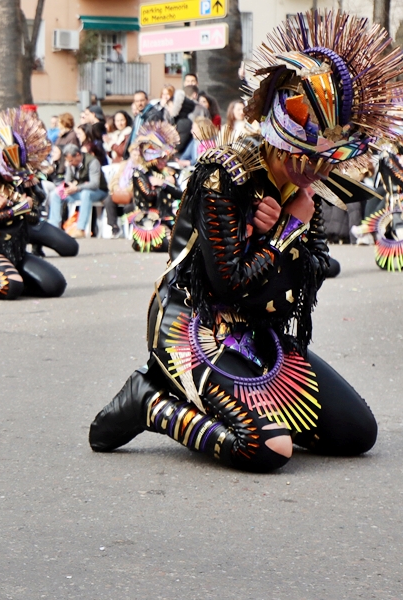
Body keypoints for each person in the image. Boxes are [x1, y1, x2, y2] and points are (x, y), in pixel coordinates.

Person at [88, 10, 402, 472]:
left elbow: (312, 272)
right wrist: (287, 230)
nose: (317, 171)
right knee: (268, 448)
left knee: (358, 433)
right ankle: (150, 401)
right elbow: (228, 282)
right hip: (195, 325)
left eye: (327, 161)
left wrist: (277, 231)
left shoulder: (303, 188)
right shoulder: (225, 174)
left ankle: (246, 398)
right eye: (307, 156)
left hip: (258, 330)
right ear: (280, 134)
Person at [0, 108, 67, 299]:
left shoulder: (21, 178)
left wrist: (24, 207)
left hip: (17, 250)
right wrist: (17, 209)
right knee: (8, 287)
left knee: (55, 286)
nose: (12, 175)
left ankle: (18, 278)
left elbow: (34, 217)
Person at [125, 121, 181, 252]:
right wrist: (160, 186)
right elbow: (148, 196)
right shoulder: (140, 174)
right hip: (150, 218)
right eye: (160, 158)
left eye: (165, 158)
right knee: (165, 245)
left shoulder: (168, 173)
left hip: (169, 218)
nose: (164, 161)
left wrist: (165, 184)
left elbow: (181, 194)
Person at [354, 147, 403, 270]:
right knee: (392, 227)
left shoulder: (387, 156)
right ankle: (369, 233)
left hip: (395, 199)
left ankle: (367, 232)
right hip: (394, 199)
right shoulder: (387, 156)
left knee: (394, 226)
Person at [50, 144, 107, 238]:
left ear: (78, 155)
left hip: (98, 191)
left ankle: (81, 229)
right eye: (68, 161)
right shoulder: (71, 164)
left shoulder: (92, 162)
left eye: (71, 160)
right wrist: (69, 185)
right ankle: (54, 226)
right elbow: (68, 180)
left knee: (86, 194)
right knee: (55, 194)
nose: (70, 163)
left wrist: (77, 188)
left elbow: (94, 184)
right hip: (78, 191)